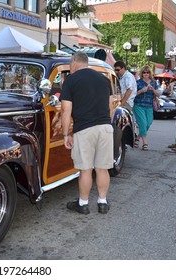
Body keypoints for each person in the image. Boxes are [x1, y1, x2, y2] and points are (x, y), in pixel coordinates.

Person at [60, 52, 114, 215]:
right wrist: (105, 123)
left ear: (75, 62)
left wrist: (65, 134)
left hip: (84, 129)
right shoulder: (104, 79)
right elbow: (110, 107)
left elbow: (65, 110)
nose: (70, 67)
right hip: (105, 127)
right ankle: (102, 202)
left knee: (85, 169)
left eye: (70, 64)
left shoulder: (71, 80)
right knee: (102, 168)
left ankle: (83, 204)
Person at [134, 65, 160, 151]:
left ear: (150, 73)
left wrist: (152, 89)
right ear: (142, 73)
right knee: (143, 124)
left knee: (148, 124)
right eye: (144, 72)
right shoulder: (138, 82)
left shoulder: (153, 82)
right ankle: (145, 143)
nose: (146, 74)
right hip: (139, 105)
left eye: (147, 72)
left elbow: (158, 94)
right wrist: (141, 90)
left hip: (149, 106)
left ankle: (137, 138)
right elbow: (133, 95)